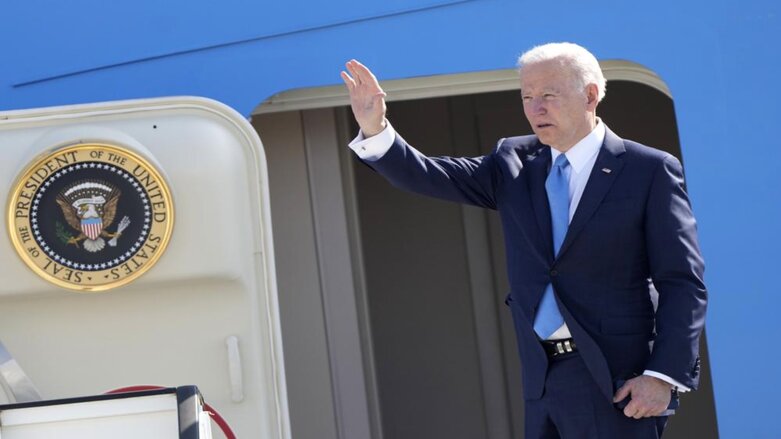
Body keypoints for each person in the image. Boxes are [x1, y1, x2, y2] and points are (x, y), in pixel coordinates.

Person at [341, 42, 707, 438]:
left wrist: (663, 375)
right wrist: (375, 129)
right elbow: (429, 175)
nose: (536, 109)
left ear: (590, 95)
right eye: (527, 97)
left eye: (548, 95)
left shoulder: (647, 170)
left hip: (617, 382)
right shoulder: (513, 160)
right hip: (541, 379)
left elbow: (681, 281)